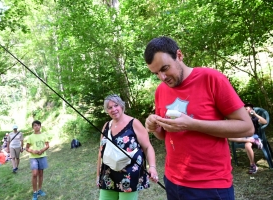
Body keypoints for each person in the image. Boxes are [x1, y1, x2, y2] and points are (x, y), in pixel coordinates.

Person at [144, 36, 254, 200]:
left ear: (179, 56)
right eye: (156, 73)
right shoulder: (161, 90)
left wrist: (193, 124)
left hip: (210, 185)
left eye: (165, 68)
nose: (162, 77)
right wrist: (154, 127)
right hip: (173, 180)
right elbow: (163, 135)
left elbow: (247, 127)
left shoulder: (211, 78)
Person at [96, 94, 158, 200]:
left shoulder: (134, 123)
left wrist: (152, 167)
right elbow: (101, 152)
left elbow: (147, 147)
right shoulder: (106, 126)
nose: (113, 109)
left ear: (121, 106)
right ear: (107, 110)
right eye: (109, 107)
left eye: (116, 105)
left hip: (129, 175)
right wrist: (98, 175)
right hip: (108, 175)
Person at [229, 103, 267, 174]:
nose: (244, 110)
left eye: (246, 109)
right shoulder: (241, 119)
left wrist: (255, 114)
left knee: (247, 145)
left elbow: (265, 122)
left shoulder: (254, 118)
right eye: (244, 109)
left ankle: (253, 165)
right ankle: (252, 140)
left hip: (253, 135)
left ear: (251, 110)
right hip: (244, 136)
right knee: (229, 137)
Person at [25, 120, 49, 200]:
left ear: (40, 126)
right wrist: (32, 151)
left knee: (41, 173)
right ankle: (35, 192)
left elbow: (47, 145)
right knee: (35, 174)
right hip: (33, 157)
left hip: (42, 156)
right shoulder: (30, 137)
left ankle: (39, 190)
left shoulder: (44, 135)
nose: (37, 126)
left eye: (38, 125)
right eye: (35, 125)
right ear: (33, 127)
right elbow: (27, 148)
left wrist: (42, 150)